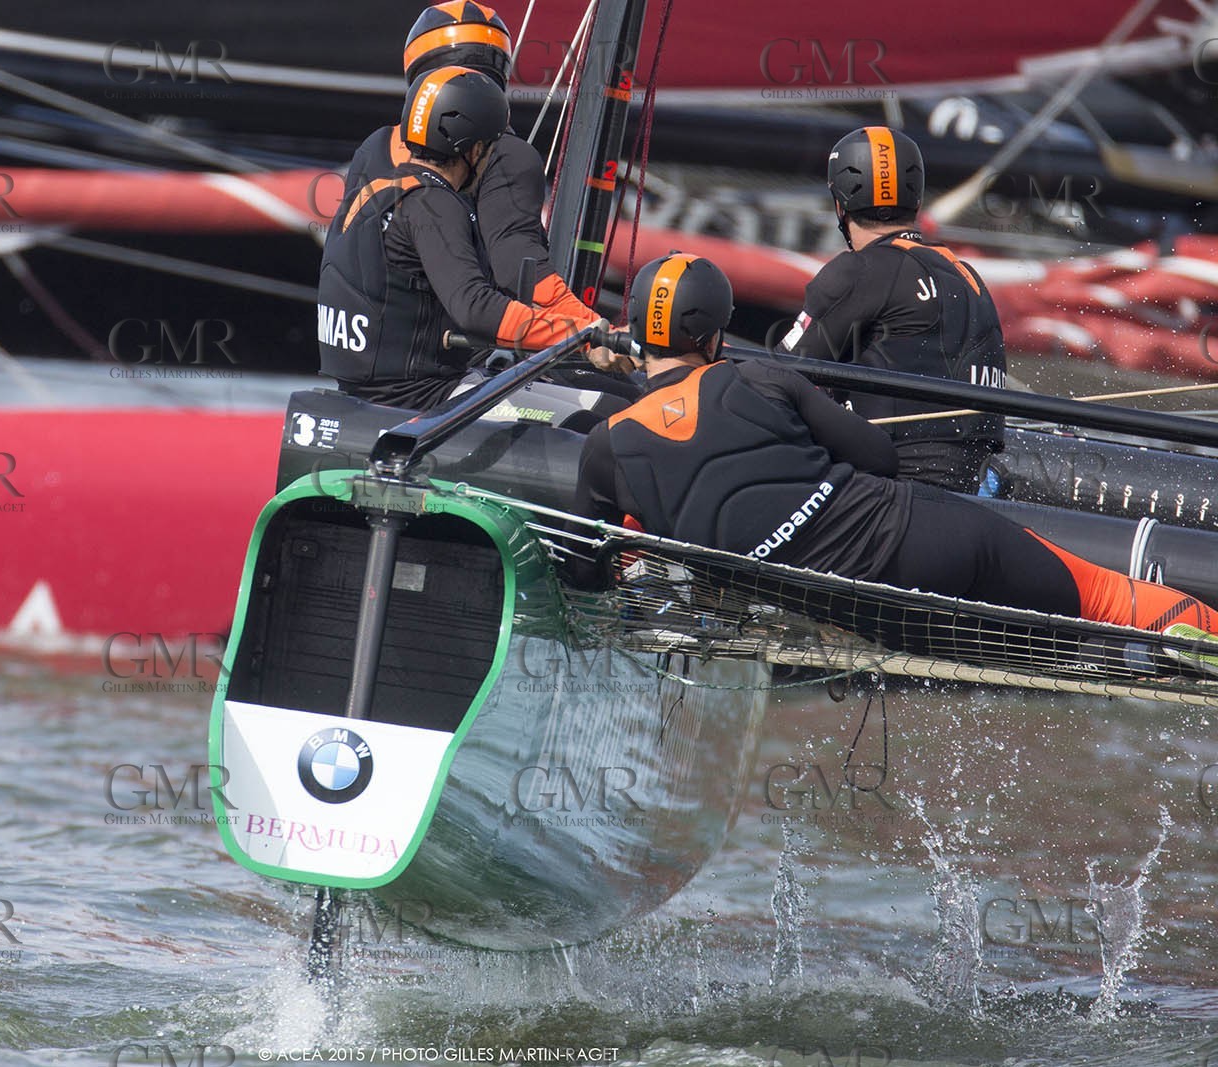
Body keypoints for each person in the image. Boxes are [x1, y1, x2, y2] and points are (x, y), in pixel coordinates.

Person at [576, 252, 1218, 675]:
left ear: (637, 333)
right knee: (1102, 598)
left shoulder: (607, 447)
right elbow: (878, 456)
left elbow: (586, 567)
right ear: (715, 333)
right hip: (924, 538)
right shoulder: (761, 379)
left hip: (867, 614)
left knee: (1059, 653)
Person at [332, 1, 629, 377]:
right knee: (611, 403)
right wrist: (595, 333)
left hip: (363, 368)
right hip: (441, 374)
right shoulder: (503, 153)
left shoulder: (374, 147)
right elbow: (518, 268)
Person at [778, 126, 1006, 493]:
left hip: (894, 487)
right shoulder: (965, 274)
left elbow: (777, 376)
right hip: (971, 484)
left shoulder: (861, 269)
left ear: (840, 204)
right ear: (916, 199)